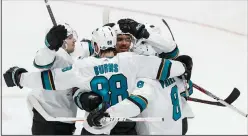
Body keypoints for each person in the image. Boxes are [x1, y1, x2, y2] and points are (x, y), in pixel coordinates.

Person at [3, 25, 191, 134]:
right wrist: (183, 66)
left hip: (96, 126)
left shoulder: (84, 66)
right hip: (126, 125)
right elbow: (164, 67)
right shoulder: (133, 60)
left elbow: (50, 79)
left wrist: (20, 78)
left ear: (95, 45)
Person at [25, 23, 79, 135]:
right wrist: (49, 47)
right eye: (69, 38)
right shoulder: (55, 55)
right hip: (49, 123)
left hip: (62, 122)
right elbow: (41, 61)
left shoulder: (68, 57)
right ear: (60, 41)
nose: (74, 40)